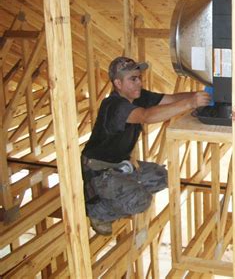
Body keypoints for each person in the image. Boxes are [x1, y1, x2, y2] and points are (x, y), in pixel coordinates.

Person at [81, 56, 211, 235]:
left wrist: (204, 95)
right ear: (118, 83)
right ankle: (99, 211)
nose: (139, 83)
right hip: (98, 173)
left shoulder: (138, 97)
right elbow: (146, 116)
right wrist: (191, 103)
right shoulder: (114, 105)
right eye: (132, 79)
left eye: (139, 77)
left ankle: (121, 190)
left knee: (161, 176)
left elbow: (171, 99)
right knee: (141, 200)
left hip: (120, 166)